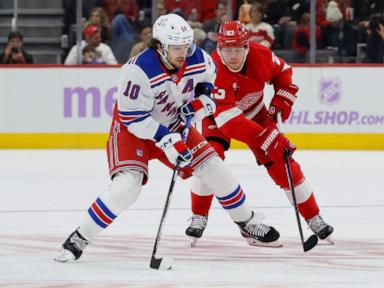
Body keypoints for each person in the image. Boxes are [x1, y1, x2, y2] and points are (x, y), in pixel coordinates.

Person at [55, 14, 289, 263]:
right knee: (127, 187)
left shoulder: (197, 57)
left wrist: (202, 100)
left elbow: (206, 83)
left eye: (186, 46)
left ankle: (247, 222)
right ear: (160, 46)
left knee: (216, 170)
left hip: (175, 126)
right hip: (133, 132)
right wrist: (165, 139)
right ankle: (80, 237)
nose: (184, 52)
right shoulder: (138, 71)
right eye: (177, 48)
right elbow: (132, 118)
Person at [185, 20, 334, 246]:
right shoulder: (213, 69)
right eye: (227, 49)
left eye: (238, 49)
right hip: (215, 117)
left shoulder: (261, 54)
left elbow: (283, 72)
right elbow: (230, 122)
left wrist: (282, 99)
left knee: (284, 164)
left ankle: (314, 218)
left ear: (247, 47)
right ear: (219, 49)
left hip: (256, 113)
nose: (233, 55)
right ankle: (199, 215)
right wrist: (270, 139)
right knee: (209, 159)